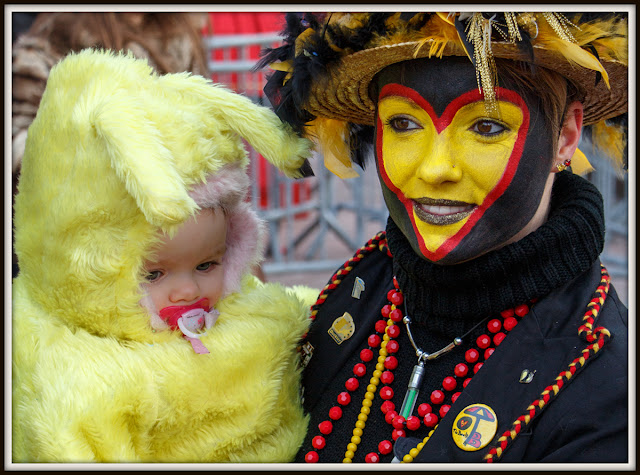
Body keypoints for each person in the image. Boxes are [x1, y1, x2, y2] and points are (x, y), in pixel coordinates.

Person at [258, 12, 628, 463]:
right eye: (403, 124)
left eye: (486, 127)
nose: (434, 169)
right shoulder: (360, 285)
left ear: (565, 137)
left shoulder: (608, 389)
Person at [12, 48, 317, 462]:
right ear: (89, 272)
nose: (188, 290)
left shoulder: (249, 310)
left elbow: (301, 313)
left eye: (207, 264)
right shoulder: (85, 381)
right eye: (153, 275)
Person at [11, 11, 210, 277]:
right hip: (86, 244)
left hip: (172, 241)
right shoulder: (56, 34)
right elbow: (17, 141)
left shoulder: (178, 31)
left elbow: (203, 127)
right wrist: (105, 158)